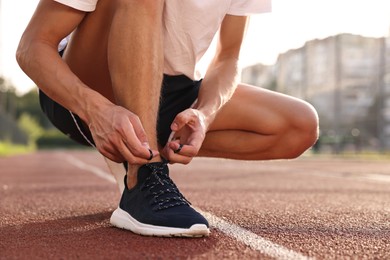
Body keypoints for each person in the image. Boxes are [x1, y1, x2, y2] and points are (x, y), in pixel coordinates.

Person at [16, 0, 319, 237]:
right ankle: (144, 175)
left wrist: (205, 113)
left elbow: (228, 57)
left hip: (170, 87)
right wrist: (97, 111)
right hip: (85, 87)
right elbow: (32, 47)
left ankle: (142, 145)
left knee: (299, 125)